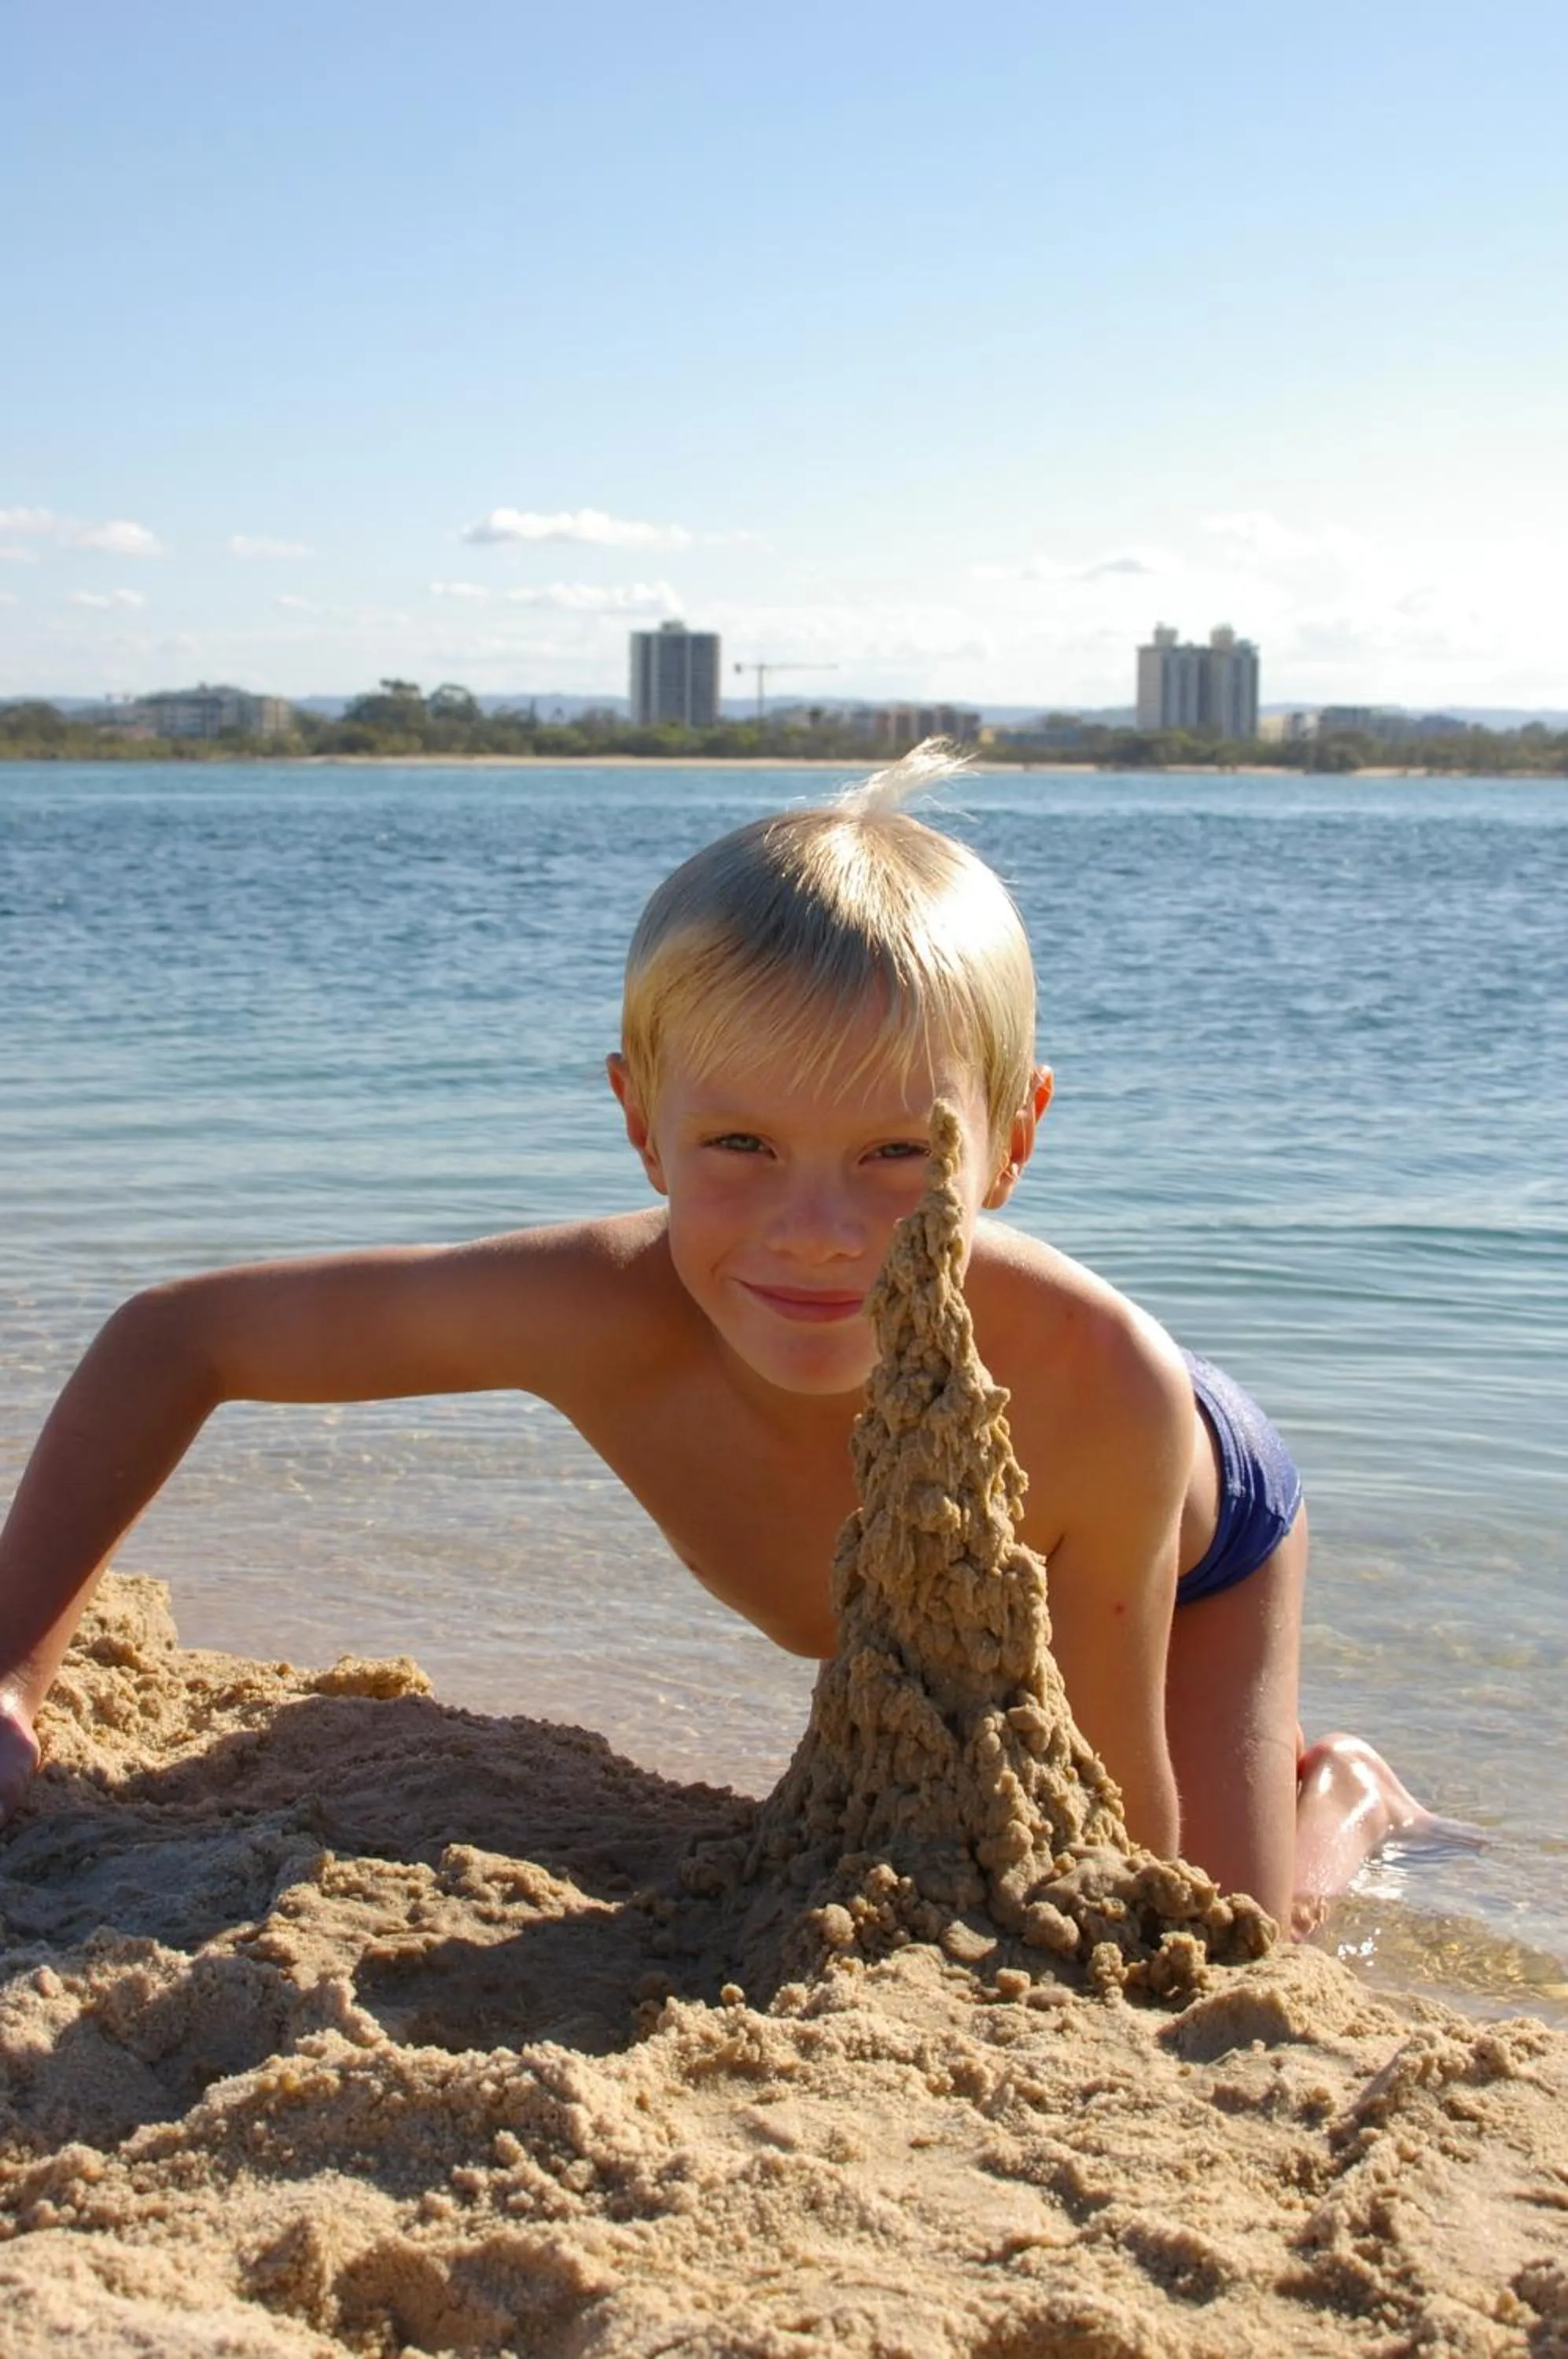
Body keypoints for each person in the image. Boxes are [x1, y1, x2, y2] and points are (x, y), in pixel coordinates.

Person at [0, 742, 1446, 1930]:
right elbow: (178, 1339)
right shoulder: (590, 1312)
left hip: (1183, 1526)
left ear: (1010, 1142)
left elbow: (1108, 1823)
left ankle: (1352, 1796)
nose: (815, 1229)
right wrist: (11, 1673)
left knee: (1222, 1915)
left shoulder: (1091, 1387)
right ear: (642, 1121)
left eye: (897, 1153)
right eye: (743, 1141)